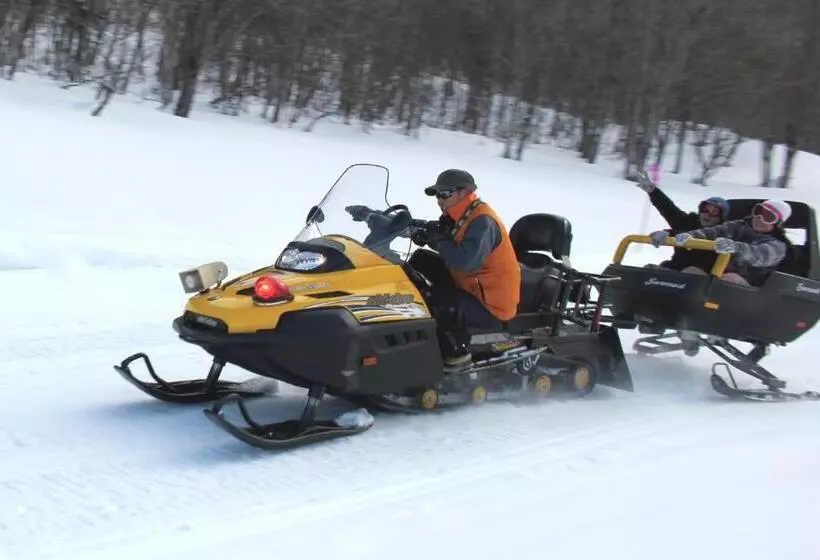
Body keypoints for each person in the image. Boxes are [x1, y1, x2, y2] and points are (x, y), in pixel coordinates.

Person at [407, 169, 521, 370]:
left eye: (444, 194)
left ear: (464, 193)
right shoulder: (461, 214)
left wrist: (437, 239)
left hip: (490, 304)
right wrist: (421, 231)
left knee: (435, 298)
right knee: (419, 261)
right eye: (437, 195)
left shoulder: (483, 222)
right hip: (472, 286)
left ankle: (457, 355)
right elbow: (447, 236)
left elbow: (465, 260)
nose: (439, 200)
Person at [670, 199, 793, 286]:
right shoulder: (737, 226)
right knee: (692, 272)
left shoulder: (778, 245)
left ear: (778, 223)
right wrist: (689, 236)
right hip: (716, 274)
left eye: (768, 217)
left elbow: (757, 255)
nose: (759, 218)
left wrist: (735, 247)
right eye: (758, 212)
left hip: (749, 287)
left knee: (729, 280)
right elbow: (712, 233)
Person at [636, 169, 730, 273]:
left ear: (721, 216)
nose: (707, 214)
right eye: (704, 209)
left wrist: (670, 234)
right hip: (676, 271)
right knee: (648, 270)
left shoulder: (725, 232)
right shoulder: (690, 222)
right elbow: (669, 210)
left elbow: (701, 237)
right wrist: (653, 191)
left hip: (704, 278)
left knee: (691, 271)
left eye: (714, 211)